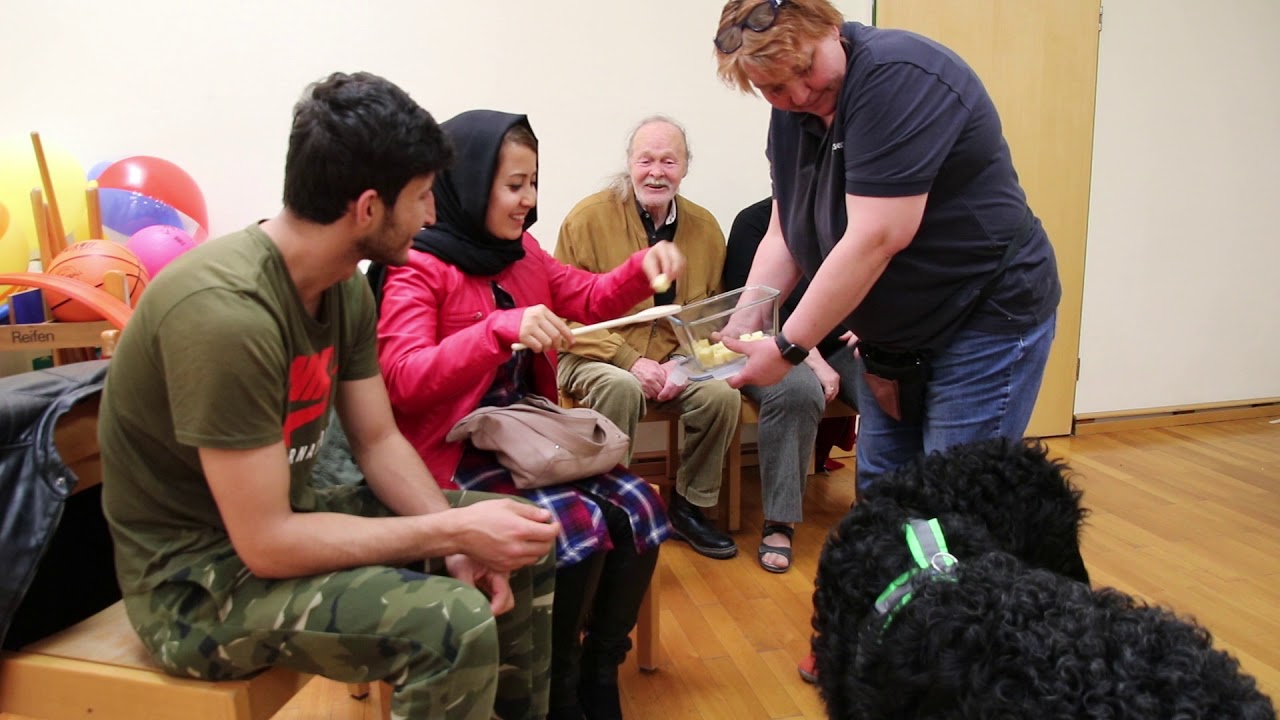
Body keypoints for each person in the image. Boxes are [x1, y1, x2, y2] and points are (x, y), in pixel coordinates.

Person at [99, 72, 562, 720]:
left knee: (518, 548)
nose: (434, 214)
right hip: (197, 587)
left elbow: (377, 442)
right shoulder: (226, 315)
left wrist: (459, 541)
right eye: (423, 197)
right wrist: (449, 527)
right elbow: (265, 543)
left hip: (287, 528)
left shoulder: (340, 283)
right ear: (368, 208)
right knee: (449, 625)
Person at [713, 0, 1062, 684]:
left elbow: (877, 236)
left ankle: (955, 676)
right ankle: (875, 646)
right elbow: (786, 233)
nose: (798, 95)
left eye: (805, 72)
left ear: (828, 27)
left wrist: (785, 347)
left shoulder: (902, 78)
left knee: (957, 508)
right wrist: (741, 321)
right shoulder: (792, 117)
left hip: (983, 317)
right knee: (886, 496)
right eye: (774, 89)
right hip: (895, 335)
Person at [371, 110, 681, 720]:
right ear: (468, 182)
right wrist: (496, 330)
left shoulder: (523, 252)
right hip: (451, 454)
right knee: (568, 520)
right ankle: (558, 682)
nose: (529, 201)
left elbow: (585, 297)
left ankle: (600, 670)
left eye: (533, 183)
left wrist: (638, 271)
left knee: (642, 501)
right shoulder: (416, 266)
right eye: (515, 185)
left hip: (521, 436)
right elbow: (402, 381)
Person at [555, 115, 740, 561]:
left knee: (721, 395)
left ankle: (689, 508)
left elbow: (710, 314)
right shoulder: (587, 219)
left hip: (671, 362)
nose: (657, 172)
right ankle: (609, 507)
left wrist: (685, 364)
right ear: (629, 163)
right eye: (646, 160)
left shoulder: (706, 227)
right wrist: (629, 359)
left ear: (685, 168)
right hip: (591, 354)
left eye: (669, 161)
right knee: (621, 386)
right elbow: (565, 318)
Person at [723, 196, 856, 573]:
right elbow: (755, 315)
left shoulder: (855, 216)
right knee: (796, 391)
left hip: (843, 344)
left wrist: (874, 329)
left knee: (887, 380)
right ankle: (780, 521)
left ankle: (878, 512)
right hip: (777, 345)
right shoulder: (753, 223)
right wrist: (810, 357)